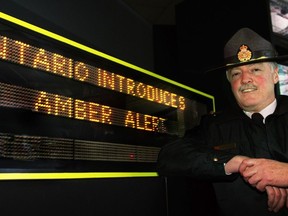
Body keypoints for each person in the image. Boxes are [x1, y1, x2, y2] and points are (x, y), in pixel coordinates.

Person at [157, 27, 288, 216]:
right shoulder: (214, 126)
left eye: (255, 69)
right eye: (236, 73)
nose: (245, 79)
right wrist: (234, 162)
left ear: (275, 75)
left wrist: (284, 173)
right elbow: (168, 157)